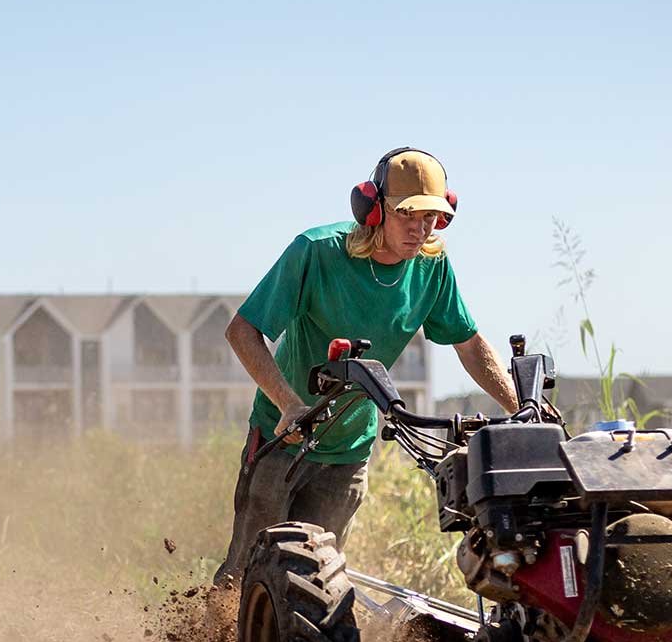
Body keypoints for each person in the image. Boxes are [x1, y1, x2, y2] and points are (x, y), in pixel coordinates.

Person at [213, 147, 520, 586]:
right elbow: (242, 331)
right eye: (407, 215)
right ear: (373, 209)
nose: (421, 229)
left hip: (349, 449)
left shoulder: (431, 267)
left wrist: (522, 408)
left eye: (431, 216)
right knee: (248, 571)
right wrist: (288, 404)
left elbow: (468, 344)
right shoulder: (316, 252)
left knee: (316, 579)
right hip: (283, 440)